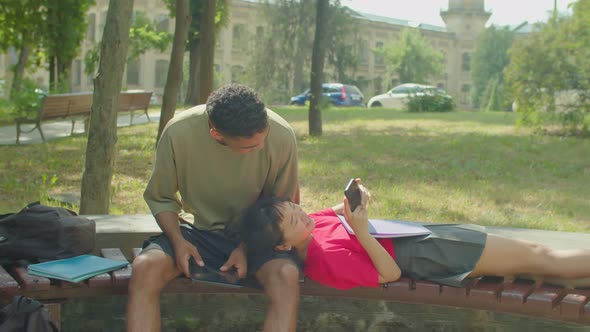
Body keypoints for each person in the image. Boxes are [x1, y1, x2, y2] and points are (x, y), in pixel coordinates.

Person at [127, 84, 300, 332]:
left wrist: (245, 247)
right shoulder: (178, 132)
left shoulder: (282, 135)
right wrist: (177, 241)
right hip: (196, 233)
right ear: (217, 134)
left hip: (257, 234)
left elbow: (279, 208)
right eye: (250, 147)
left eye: (264, 137)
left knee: (286, 276)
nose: (260, 148)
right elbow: (161, 197)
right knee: (144, 269)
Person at [240, 179, 590, 290]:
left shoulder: (312, 224)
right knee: (541, 258)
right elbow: (389, 274)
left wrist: (358, 199)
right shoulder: (321, 261)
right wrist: (362, 233)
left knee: (534, 260)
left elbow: (337, 211)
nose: (302, 214)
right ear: (283, 244)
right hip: (424, 254)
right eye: (293, 219)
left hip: (420, 236)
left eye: (294, 207)